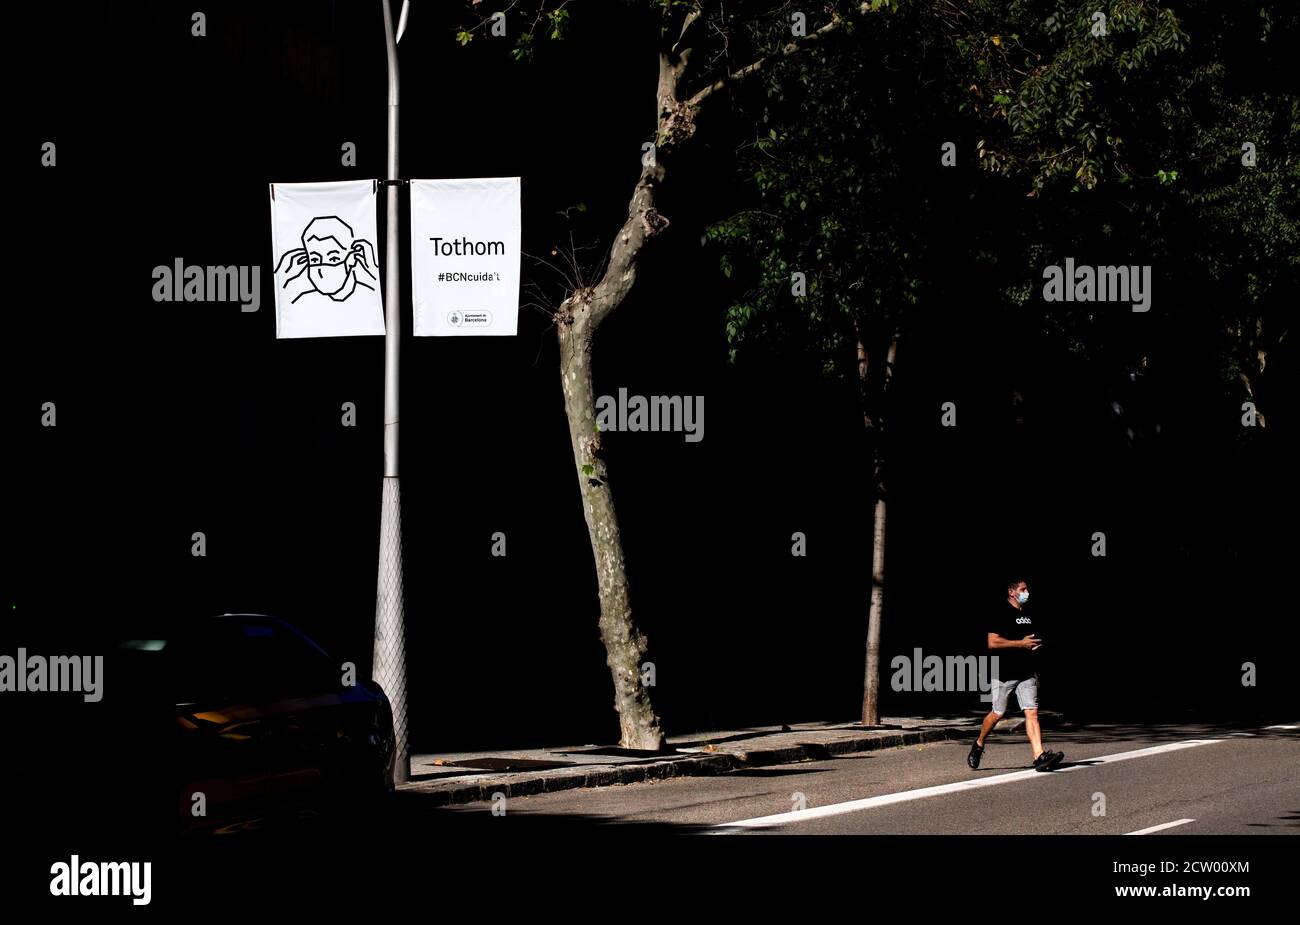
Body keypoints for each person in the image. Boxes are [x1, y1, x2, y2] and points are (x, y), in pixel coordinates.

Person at [966, 578, 1064, 772]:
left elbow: (1030, 639)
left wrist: (1034, 646)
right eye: (1023, 589)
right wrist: (1021, 643)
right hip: (1004, 672)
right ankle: (978, 744)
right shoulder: (999, 612)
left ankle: (1039, 756)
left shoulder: (1028, 614)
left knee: (1032, 712)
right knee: (998, 713)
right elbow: (992, 643)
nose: (1027, 592)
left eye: (1027, 588)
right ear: (1012, 592)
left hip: (1026, 671)